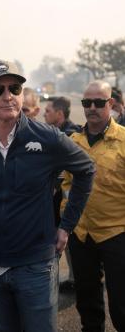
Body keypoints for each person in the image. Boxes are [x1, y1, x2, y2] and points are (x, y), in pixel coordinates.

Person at [0, 60, 95, 332]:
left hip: (35, 264)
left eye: (15, 88)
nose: (8, 95)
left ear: (22, 93)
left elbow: (86, 170)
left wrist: (66, 226)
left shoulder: (48, 138)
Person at [62, 80, 125, 332]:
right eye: (87, 103)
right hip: (81, 234)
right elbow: (66, 184)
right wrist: (65, 219)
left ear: (110, 104)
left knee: (121, 302)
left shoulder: (123, 140)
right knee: (87, 299)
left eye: (99, 102)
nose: (92, 108)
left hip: (116, 233)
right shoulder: (73, 142)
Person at [44, 96, 81, 292]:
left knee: (71, 241)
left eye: (48, 111)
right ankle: (75, 278)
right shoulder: (54, 132)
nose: (44, 113)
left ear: (59, 114)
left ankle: (79, 280)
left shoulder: (71, 134)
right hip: (59, 198)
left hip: (67, 198)